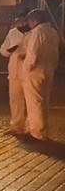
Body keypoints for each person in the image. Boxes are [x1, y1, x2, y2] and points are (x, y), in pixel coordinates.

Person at [19, 9, 60, 141]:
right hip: (49, 69)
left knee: (34, 102)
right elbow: (55, 53)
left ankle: (37, 131)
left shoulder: (37, 33)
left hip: (35, 71)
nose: (29, 24)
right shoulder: (53, 32)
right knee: (44, 100)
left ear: (34, 21)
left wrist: (25, 69)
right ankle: (34, 127)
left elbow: (32, 54)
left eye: (29, 21)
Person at [0, 13, 31, 135]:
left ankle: (30, 127)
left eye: (23, 22)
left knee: (30, 100)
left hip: (28, 72)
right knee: (15, 99)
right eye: (18, 22)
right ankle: (17, 125)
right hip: (14, 71)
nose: (21, 25)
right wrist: (10, 50)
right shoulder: (12, 33)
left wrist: (27, 55)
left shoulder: (33, 33)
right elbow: (3, 50)